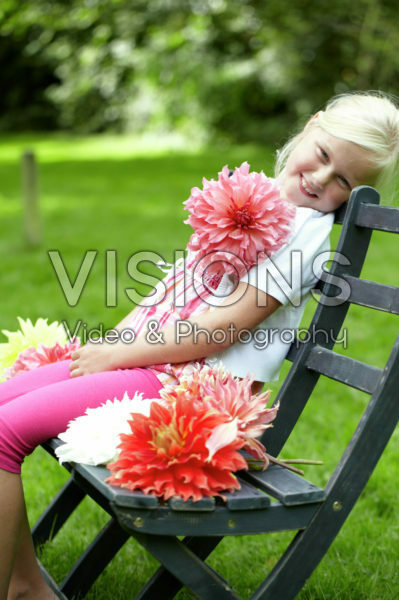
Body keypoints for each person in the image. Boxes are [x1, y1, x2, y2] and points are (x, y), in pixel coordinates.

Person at [1, 90, 398, 600]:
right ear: (311, 125)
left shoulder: (306, 234)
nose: (321, 179)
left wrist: (117, 354)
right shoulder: (255, 201)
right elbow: (175, 294)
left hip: (186, 390)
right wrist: (116, 342)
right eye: (323, 156)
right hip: (156, 364)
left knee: (5, 432)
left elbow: (219, 331)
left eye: (343, 180)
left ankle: (24, 587)